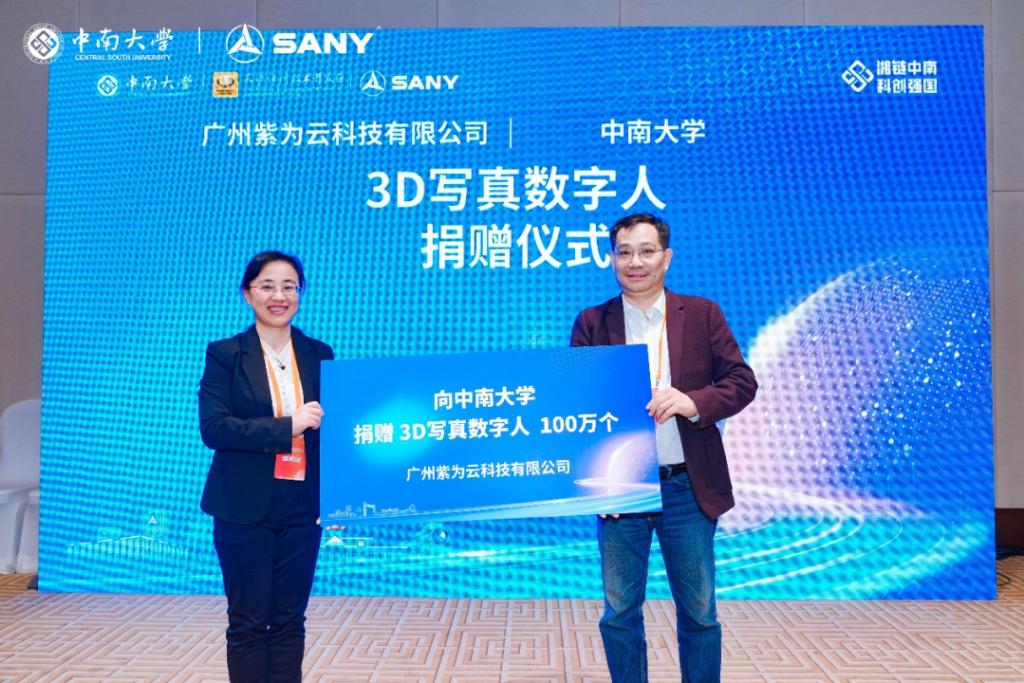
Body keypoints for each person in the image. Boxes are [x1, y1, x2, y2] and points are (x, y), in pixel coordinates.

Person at [570, 213, 757, 682]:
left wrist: (693, 402)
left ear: (666, 257)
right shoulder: (592, 323)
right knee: (619, 612)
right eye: (625, 252)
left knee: (699, 613)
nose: (635, 262)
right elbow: (577, 406)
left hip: (686, 487)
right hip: (623, 492)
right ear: (612, 259)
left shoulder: (702, 314)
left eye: (646, 251)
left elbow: (741, 381)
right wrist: (599, 486)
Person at [199, 250, 334, 682]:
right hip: (243, 506)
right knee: (249, 623)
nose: (279, 296)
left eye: (289, 287)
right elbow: (215, 428)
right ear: (248, 293)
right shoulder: (226, 354)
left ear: (300, 293)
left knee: (290, 620)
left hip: (302, 507)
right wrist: (287, 425)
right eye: (268, 286)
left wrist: (337, 498)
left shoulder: (319, 354)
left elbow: (335, 433)